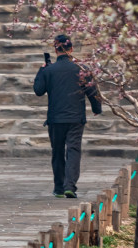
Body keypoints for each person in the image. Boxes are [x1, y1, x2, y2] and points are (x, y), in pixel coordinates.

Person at [34, 34, 101, 199]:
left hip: (56, 118)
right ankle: (70, 186)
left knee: (57, 151)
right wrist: (96, 108)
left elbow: (38, 90)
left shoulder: (48, 70)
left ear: (56, 51)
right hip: (75, 117)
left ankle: (58, 187)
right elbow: (92, 91)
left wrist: (41, 70)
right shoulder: (82, 69)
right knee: (73, 150)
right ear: (71, 49)